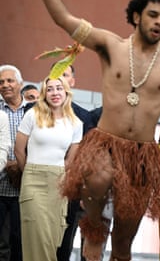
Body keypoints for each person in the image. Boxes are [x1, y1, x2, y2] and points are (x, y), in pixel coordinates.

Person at [25, 0, 160, 260]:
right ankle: (91, 229)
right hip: (104, 144)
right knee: (95, 224)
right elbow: (63, 19)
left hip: (142, 155)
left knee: (123, 245)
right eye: (153, 15)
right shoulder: (110, 45)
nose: (158, 22)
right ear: (136, 16)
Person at [15, 76, 82, 261]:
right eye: (50, 89)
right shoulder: (32, 115)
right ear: (44, 94)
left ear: (66, 92)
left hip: (58, 182)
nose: (55, 93)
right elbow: (19, 150)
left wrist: (57, 174)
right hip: (33, 180)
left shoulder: (76, 123)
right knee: (37, 235)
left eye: (59, 88)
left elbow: (71, 159)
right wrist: (29, 172)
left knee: (53, 237)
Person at [56, 65, 94, 261]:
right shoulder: (34, 112)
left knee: (65, 241)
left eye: (65, 74)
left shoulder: (84, 117)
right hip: (40, 184)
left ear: (72, 81)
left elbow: (87, 157)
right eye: (55, 74)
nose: (59, 79)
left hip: (71, 188)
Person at [0, 64, 33, 261]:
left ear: (20, 84)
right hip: (0, 186)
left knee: (21, 242)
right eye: (1, 82)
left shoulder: (33, 112)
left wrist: (20, 164)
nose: (5, 85)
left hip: (25, 188)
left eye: (10, 80)